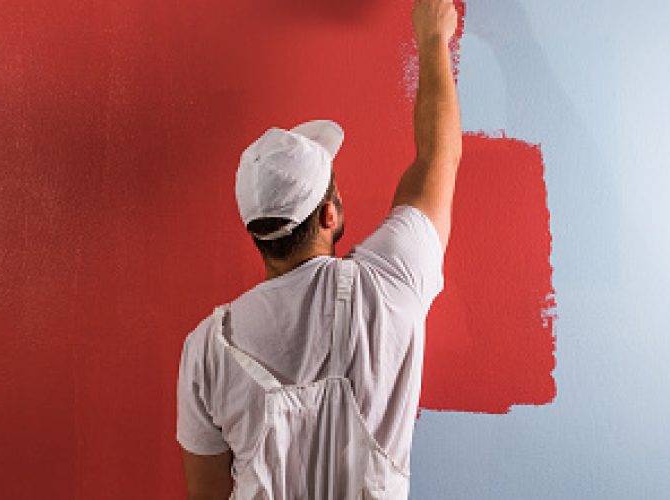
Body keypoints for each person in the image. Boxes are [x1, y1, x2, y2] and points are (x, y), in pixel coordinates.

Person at [176, 0, 460, 497]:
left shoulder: (207, 350)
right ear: (330, 215)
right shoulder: (389, 284)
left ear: (256, 231)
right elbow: (439, 156)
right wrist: (433, 37)